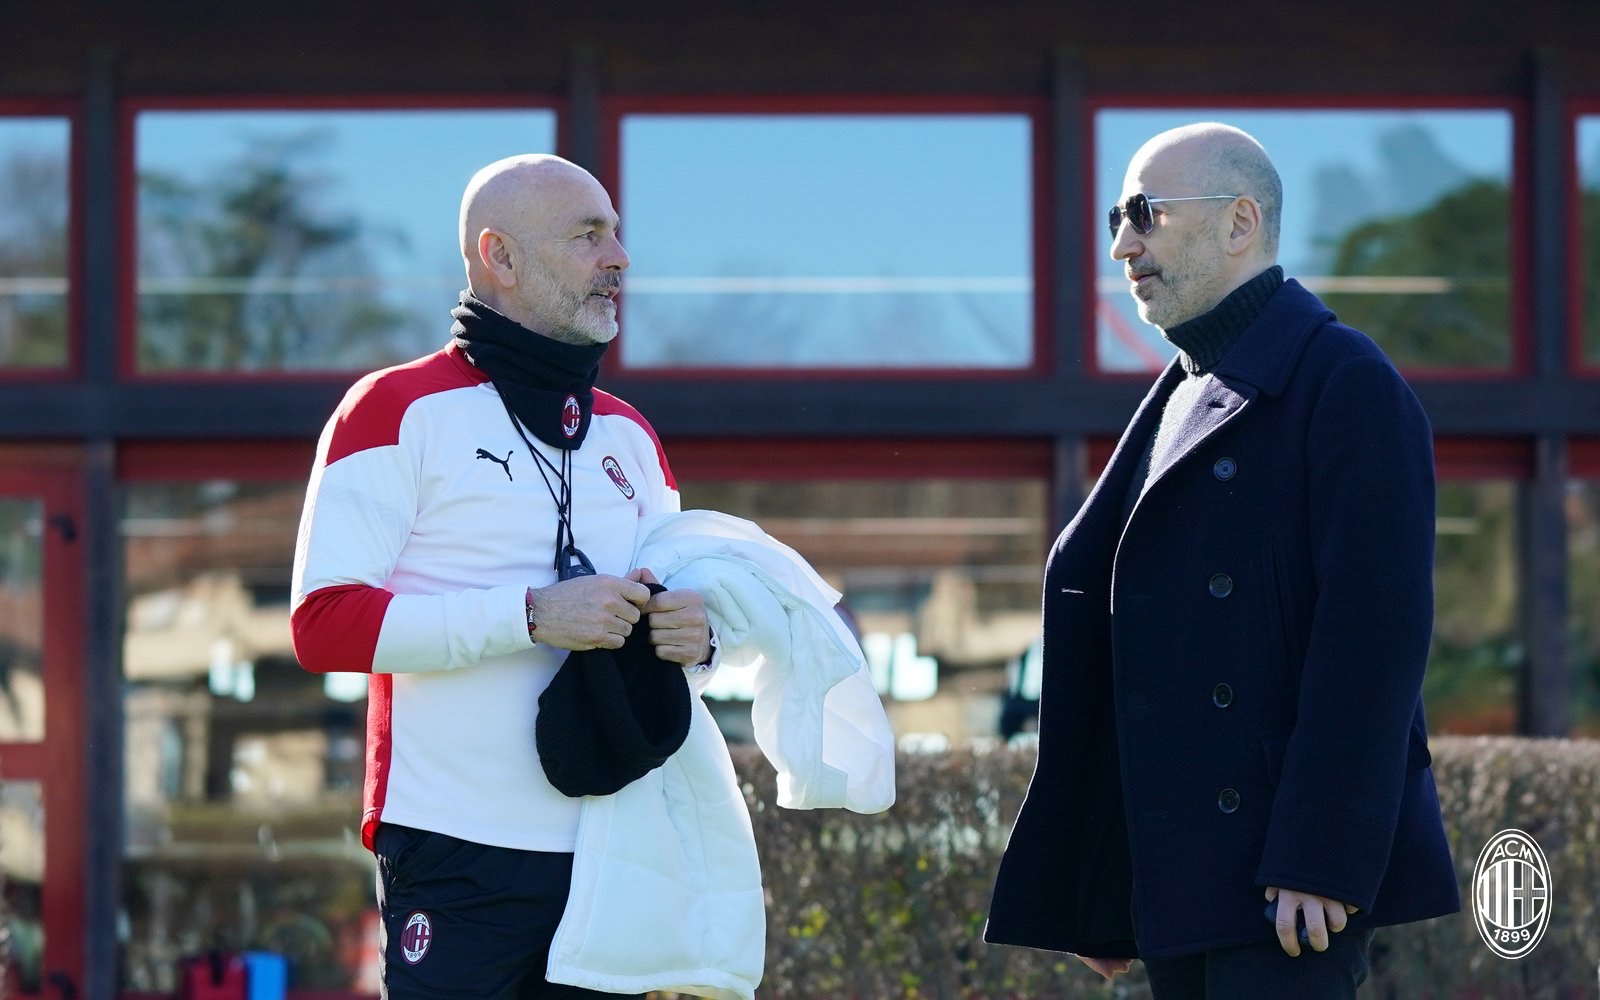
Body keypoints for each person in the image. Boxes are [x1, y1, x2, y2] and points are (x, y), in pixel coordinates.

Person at [984, 123, 1460, 997]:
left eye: (1146, 214)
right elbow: (1146, 666)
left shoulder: (1344, 381)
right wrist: (1106, 876)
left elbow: (1373, 640)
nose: (1123, 246)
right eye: (1116, 220)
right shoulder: (1182, 390)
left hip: (1285, 891)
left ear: (1240, 222)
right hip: (1184, 883)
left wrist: (1321, 854)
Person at [290, 154, 716, 997]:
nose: (619, 258)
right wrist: (527, 616)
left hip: (617, 852)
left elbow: (675, 642)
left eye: (616, 233)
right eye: (588, 236)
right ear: (501, 257)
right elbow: (322, 625)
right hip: (453, 852)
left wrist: (700, 643)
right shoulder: (392, 408)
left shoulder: (632, 436)